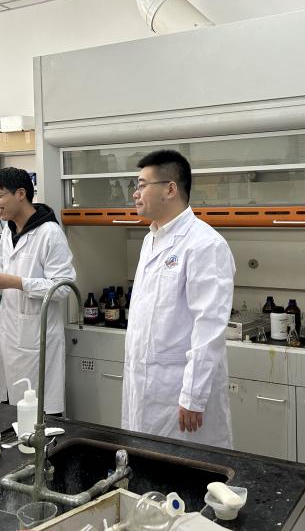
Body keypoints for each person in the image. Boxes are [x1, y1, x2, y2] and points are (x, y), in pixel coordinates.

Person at [122, 150, 235, 448]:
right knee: (145, 465)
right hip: (145, 388)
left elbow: (209, 326)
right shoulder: (150, 239)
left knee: (188, 468)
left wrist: (193, 395)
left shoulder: (205, 244)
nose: (135, 193)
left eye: (142, 184)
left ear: (170, 189)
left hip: (179, 392)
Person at [0, 168, 75, 411]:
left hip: (37, 338)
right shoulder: (8, 231)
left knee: (38, 411)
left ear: (20, 193)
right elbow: (5, 267)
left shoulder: (50, 233)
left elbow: (62, 287)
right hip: (10, 331)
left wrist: (15, 282)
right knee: (9, 408)